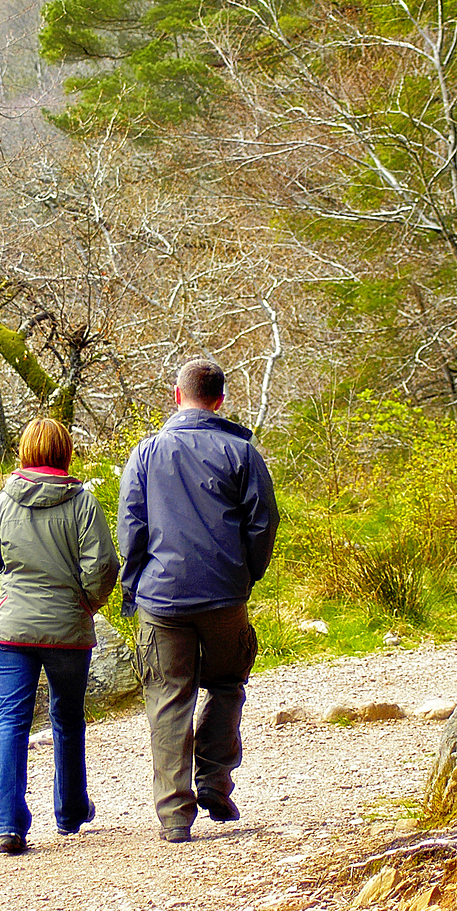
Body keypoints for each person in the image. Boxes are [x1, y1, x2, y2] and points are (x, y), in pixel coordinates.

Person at [117, 358, 280, 843]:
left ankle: (174, 815)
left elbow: (131, 526)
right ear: (220, 400)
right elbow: (263, 522)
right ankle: (214, 780)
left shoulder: (147, 453)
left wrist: (135, 584)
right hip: (224, 595)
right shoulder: (241, 452)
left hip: (161, 599)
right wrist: (246, 574)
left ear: (177, 395)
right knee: (227, 684)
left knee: (169, 698)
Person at [0, 417, 119, 855]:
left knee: (11, 719)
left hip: (10, 631)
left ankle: (7, 824)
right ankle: (70, 812)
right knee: (68, 718)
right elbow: (103, 567)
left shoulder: (1, 504)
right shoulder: (83, 504)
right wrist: (87, 605)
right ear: (65, 453)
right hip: (67, 630)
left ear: (25, 452)